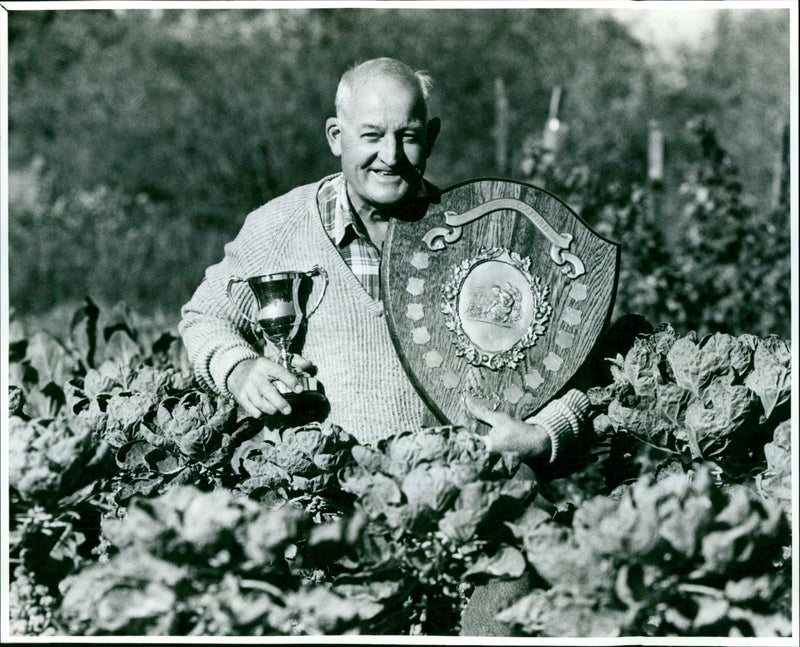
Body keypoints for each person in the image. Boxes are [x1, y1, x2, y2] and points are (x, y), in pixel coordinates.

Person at [179, 57, 589, 463]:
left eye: (408, 136)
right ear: (337, 136)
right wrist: (238, 370)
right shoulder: (277, 228)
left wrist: (543, 435)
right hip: (321, 504)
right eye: (372, 136)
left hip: (449, 497)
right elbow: (203, 317)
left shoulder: (481, 235)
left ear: (431, 136)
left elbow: (573, 359)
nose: (390, 156)